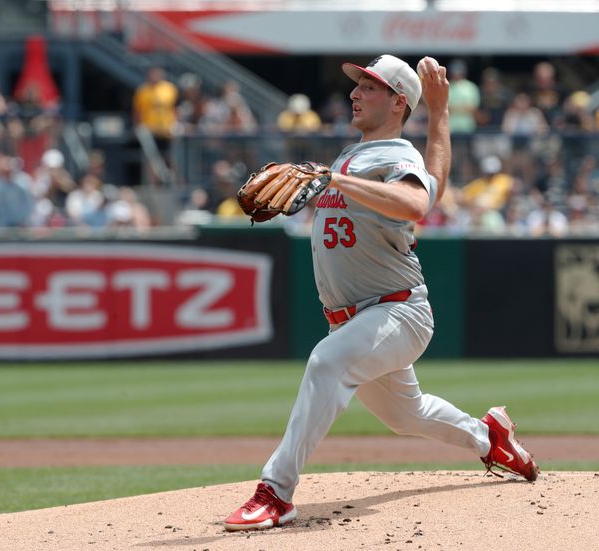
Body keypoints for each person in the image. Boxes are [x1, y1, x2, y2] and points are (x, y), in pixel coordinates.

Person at [223, 54, 539, 532]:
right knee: (406, 414)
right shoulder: (357, 154)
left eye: (369, 86)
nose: (354, 92)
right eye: (358, 84)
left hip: (396, 311)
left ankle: (275, 492)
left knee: (326, 362)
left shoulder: (392, 155)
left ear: (397, 103)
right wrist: (441, 115)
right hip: (359, 318)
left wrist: (335, 179)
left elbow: (417, 203)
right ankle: (489, 437)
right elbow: (434, 185)